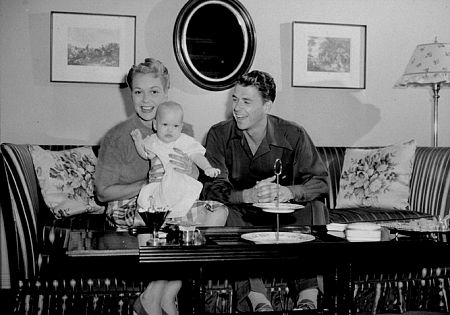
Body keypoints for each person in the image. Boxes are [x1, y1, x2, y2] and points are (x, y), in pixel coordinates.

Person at [95, 58, 227, 315]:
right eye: (138, 91)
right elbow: (103, 192)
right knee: (158, 220)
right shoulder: (117, 136)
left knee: (217, 213)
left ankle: (163, 294)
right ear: (130, 94)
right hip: (132, 207)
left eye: (154, 91)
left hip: (173, 202)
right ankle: (155, 299)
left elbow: (192, 181)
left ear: (166, 93)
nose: (146, 100)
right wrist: (147, 183)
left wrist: (191, 170)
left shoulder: (181, 129)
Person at [202, 70, 329, 311]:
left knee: (315, 206)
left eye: (246, 101)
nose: (237, 108)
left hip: (287, 216)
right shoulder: (218, 134)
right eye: (235, 99)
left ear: (267, 105)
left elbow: (320, 182)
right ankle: (258, 301)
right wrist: (246, 195)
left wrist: (289, 191)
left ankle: (308, 297)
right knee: (223, 213)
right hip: (241, 214)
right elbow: (211, 190)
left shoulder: (293, 133)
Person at [131, 100, 221, 220]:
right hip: (159, 186)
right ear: (155, 124)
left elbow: (196, 156)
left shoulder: (184, 141)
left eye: (175, 126)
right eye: (165, 125)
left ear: (181, 127)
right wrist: (138, 142)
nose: (170, 130)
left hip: (179, 185)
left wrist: (207, 167)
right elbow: (146, 154)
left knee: (183, 206)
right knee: (147, 205)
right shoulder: (153, 141)